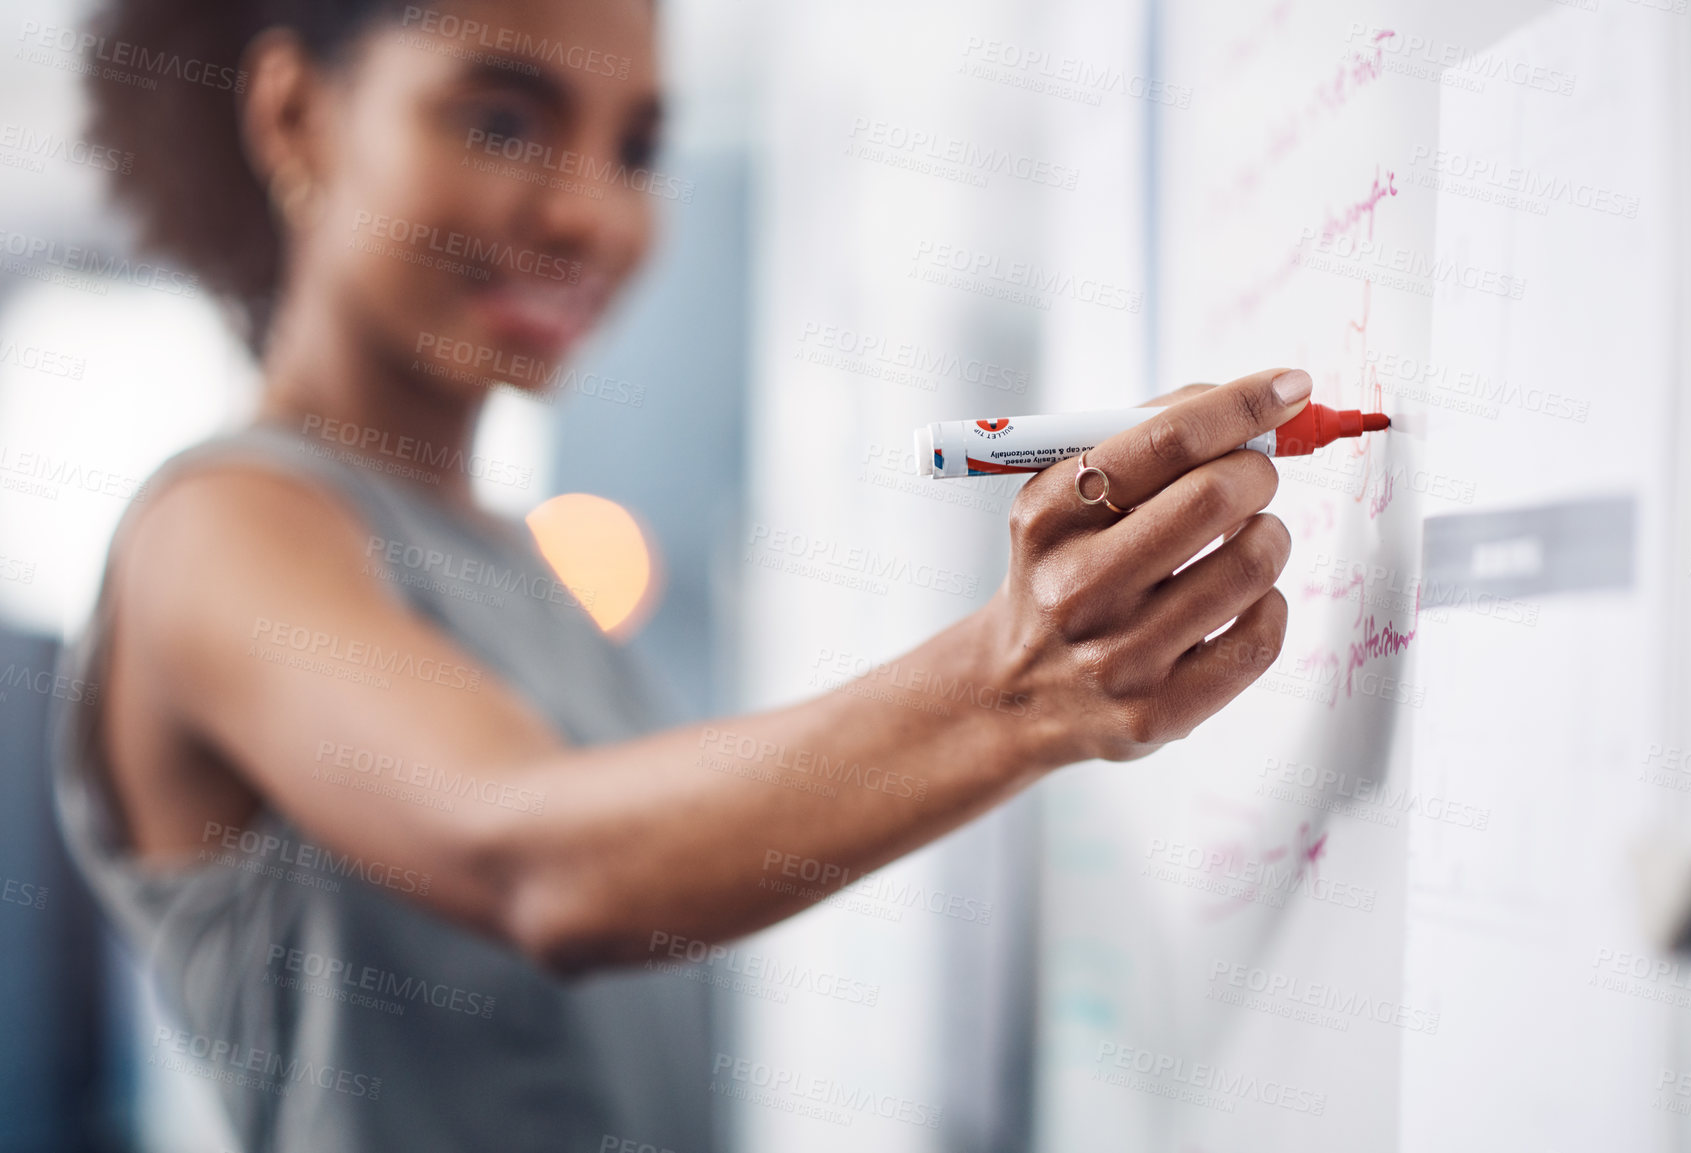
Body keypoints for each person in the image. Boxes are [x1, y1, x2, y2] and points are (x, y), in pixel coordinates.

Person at [55, 0, 1309, 1148]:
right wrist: (1009, 687)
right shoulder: (219, 527)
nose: (592, 213)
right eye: (502, 119)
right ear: (294, 115)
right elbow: (539, 863)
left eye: (638, 151)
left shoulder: (519, 568)